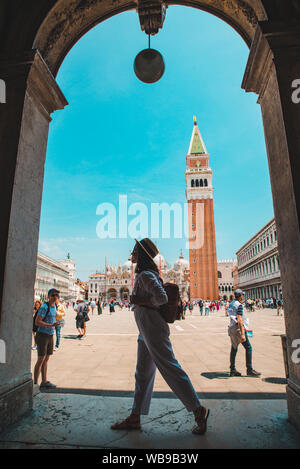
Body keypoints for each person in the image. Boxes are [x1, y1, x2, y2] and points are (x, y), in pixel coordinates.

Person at [111, 238, 210, 435]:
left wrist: (138, 299)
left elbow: (161, 298)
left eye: (135, 250)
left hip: (153, 330)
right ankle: (135, 417)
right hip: (146, 331)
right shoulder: (146, 274)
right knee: (142, 374)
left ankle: (199, 410)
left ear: (142, 254)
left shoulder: (146, 275)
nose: (132, 253)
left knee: (170, 368)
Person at [227, 289, 261, 377]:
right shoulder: (239, 305)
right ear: (240, 295)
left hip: (231, 328)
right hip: (238, 329)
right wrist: (242, 333)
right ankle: (249, 369)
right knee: (248, 348)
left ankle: (232, 369)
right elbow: (239, 319)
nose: (243, 296)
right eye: (242, 295)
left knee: (234, 349)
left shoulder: (231, 303)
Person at [33, 289, 60, 389]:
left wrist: (57, 323)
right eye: (53, 295)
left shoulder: (54, 306)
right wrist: (50, 325)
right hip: (42, 335)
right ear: (48, 296)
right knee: (40, 358)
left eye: (57, 295)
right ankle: (35, 384)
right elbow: (37, 322)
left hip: (50, 335)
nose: (55, 297)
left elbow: (52, 319)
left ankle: (44, 381)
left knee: (46, 358)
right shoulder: (45, 307)